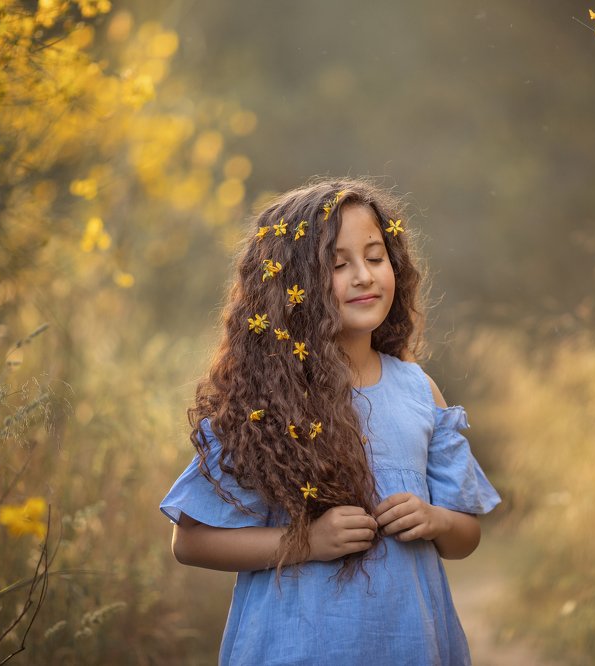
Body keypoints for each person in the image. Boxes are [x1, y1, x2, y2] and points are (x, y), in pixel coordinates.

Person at [159, 177, 501, 665]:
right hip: (296, 647)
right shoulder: (265, 402)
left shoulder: (419, 391)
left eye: (376, 257)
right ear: (291, 288)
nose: (363, 276)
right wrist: (308, 542)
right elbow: (190, 542)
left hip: (411, 647)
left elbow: (464, 537)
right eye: (338, 265)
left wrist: (436, 518)